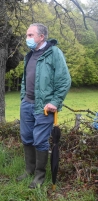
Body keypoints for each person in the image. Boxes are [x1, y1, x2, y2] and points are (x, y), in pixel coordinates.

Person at [17, 23, 71, 188]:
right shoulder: (30, 55)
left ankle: (39, 176)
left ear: (42, 37)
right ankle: (29, 170)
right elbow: (26, 79)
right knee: (26, 137)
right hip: (27, 104)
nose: (28, 39)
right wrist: (23, 97)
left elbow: (64, 80)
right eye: (27, 35)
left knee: (40, 140)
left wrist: (55, 102)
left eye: (31, 35)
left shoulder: (54, 53)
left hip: (44, 107)